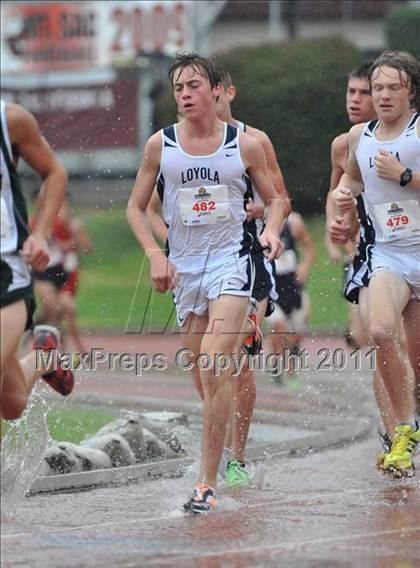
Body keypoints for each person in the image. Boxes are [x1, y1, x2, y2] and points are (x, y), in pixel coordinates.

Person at [127, 52, 285, 513]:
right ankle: (220, 456)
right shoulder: (162, 145)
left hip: (232, 262)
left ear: (216, 91)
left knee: (215, 365)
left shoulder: (244, 144)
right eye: (178, 87)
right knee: (203, 376)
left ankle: (206, 483)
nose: (185, 94)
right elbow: (137, 208)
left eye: (194, 85)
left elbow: (276, 199)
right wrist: (158, 254)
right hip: (187, 269)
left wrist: (272, 230)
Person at [332, 51, 420, 477]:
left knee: (416, 365)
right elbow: (352, 177)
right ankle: (405, 429)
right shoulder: (358, 137)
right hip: (388, 252)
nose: (383, 96)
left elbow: (400, 175)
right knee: (382, 331)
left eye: (392, 88)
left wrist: (406, 175)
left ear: (411, 92)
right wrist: (343, 196)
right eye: (377, 88)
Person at [1, 101, 74, 421]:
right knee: (12, 403)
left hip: (6, 272)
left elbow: (54, 172)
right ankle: (42, 358)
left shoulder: (11, 120)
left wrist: (40, 234)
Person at [266, 211, 315, 383]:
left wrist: (305, 267)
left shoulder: (294, 223)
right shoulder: (259, 222)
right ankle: (276, 363)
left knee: (297, 332)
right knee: (279, 327)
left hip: (293, 285)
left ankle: (291, 365)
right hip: (272, 287)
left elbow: (310, 249)